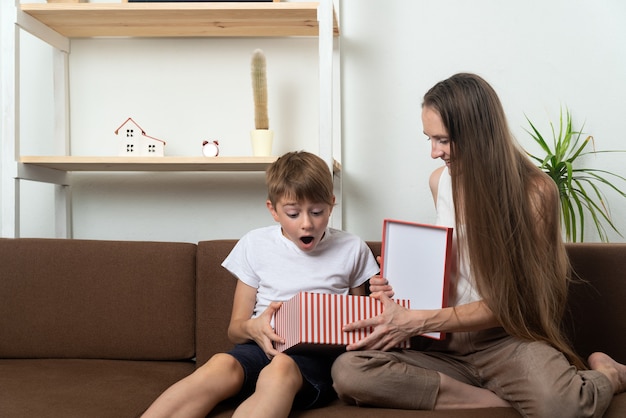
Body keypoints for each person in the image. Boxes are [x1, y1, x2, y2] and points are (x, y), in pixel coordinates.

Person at [331, 73, 626, 417]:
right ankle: (494, 398)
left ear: (477, 133)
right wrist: (396, 290)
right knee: (349, 371)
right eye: (429, 139)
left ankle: (607, 373)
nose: (433, 152)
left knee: (563, 406)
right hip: (444, 346)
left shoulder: (535, 193)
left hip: (508, 341)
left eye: (442, 140)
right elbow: (452, 272)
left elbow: (518, 302)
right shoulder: (440, 183)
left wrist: (418, 320)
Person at [141, 151, 379, 418]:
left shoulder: (352, 248)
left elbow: (360, 324)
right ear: (273, 210)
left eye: (317, 212)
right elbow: (235, 330)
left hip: (313, 363)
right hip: (258, 348)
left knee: (280, 369)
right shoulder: (255, 244)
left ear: (331, 205)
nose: (307, 224)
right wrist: (253, 328)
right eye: (293, 213)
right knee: (220, 364)